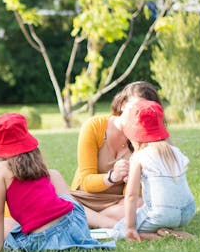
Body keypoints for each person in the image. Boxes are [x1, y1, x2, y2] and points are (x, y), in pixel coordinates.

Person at [0, 113, 115, 252]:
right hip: (73, 223)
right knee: (59, 186)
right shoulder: (37, 162)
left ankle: (105, 222)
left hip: (43, 239)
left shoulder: (0, 169)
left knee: (12, 240)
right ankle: (106, 223)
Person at [69, 81, 162, 227]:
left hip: (118, 203)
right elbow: (86, 182)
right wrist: (112, 177)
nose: (139, 114)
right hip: (84, 198)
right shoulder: (94, 126)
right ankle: (95, 220)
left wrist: (132, 178)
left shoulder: (144, 140)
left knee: (140, 204)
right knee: (58, 197)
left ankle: (88, 220)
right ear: (123, 104)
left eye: (145, 110)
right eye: (136, 107)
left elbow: (131, 195)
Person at [114, 99, 196, 241]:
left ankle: (157, 237)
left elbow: (131, 196)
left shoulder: (139, 157)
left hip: (162, 213)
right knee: (161, 215)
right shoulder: (174, 151)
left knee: (118, 230)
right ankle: (166, 230)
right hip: (188, 211)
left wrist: (130, 227)